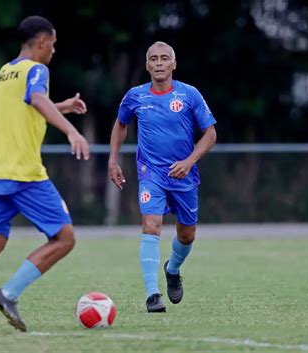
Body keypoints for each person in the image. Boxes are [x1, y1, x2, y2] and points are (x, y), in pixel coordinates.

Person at [0, 15, 90, 332]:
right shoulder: (38, 69)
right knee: (64, 238)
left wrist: (61, 105)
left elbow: (27, 105)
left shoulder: (5, 72)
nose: (53, 50)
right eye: (52, 44)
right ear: (41, 42)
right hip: (23, 175)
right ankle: (8, 294)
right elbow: (36, 99)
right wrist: (71, 132)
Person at [108, 41, 217, 313]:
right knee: (151, 225)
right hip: (150, 173)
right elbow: (120, 124)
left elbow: (211, 134)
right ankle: (152, 295)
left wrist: (189, 161)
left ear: (173, 64)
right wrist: (113, 160)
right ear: (147, 65)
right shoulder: (135, 96)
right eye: (153, 58)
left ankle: (173, 269)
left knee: (187, 234)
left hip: (184, 175)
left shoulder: (189, 94)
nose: (158, 62)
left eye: (164, 58)